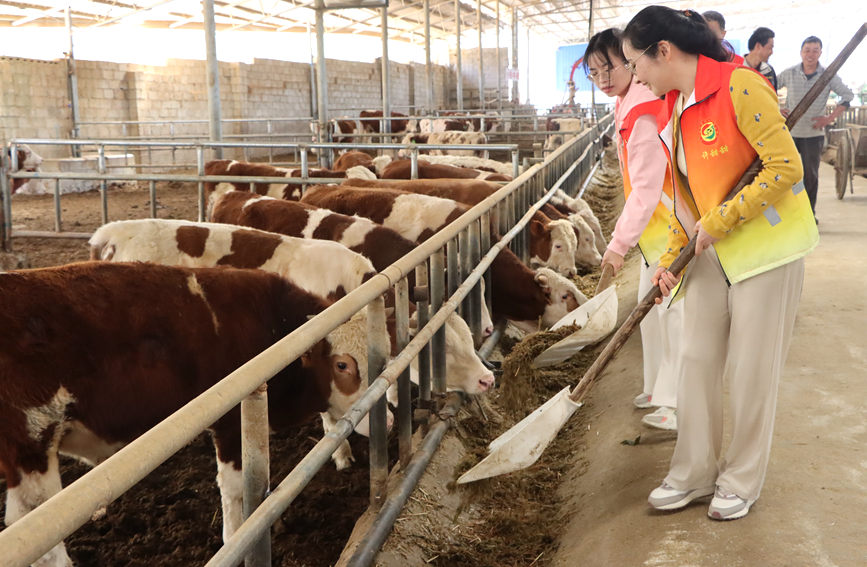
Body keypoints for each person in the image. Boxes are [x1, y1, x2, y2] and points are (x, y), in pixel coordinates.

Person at [622, 6, 818, 520]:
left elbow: (784, 166)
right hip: (709, 250)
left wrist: (724, 219)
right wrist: (669, 261)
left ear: (663, 50)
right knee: (695, 360)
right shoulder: (672, 103)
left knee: (751, 370)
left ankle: (740, 479)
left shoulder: (740, 85)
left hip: (765, 252)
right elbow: (682, 198)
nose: (633, 75)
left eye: (634, 62)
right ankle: (693, 472)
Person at [582, 28, 681, 431]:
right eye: (594, 72)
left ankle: (675, 403)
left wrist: (617, 244)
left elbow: (645, 190)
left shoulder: (642, 111)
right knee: (649, 310)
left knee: (671, 314)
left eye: (610, 66)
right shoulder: (627, 102)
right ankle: (658, 388)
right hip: (651, 232)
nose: (603, 77)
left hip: (669, 227)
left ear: (630, 61)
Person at [778, 36, 854, 222]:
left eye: (815, 50)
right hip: (790, 134)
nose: (810, 54)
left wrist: (829, 118)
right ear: (801, 52)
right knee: (788, 175)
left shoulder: (828, 75)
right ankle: (790, 213)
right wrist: (777, 109)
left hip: (813, 135)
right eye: (807, 50)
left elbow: (847, 95)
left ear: (820, 53)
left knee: (810, 175)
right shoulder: (790, 73)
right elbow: (766, 87)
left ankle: (809, 214)